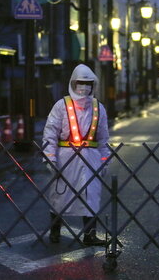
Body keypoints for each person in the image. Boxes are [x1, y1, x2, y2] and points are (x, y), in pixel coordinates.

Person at [42, 64, 110, 246]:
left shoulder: (98, 108)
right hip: (66, 158)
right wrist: (51, 159)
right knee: (60, 195)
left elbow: (103, 138)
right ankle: (55, 232)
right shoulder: (61, 106)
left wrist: (104, 161)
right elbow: (50, 134)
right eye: (80, 82)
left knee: (91, 196)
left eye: (88, 83)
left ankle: (90, 234)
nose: (84, 87)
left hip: (91, 159)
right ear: (73, 83)